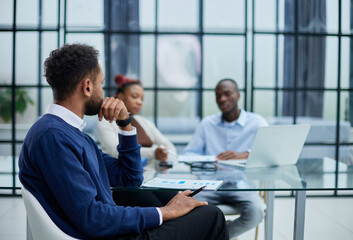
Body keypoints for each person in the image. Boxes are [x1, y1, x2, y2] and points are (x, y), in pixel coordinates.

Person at [18, 43, 229, 240]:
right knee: (212, 216)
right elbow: (93, 218)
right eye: (101, 84)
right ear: (87, 87)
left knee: (197, 209)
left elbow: (129, 178)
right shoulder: (53, 137)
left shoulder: (72, 135)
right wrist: (165, 212)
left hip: (109, 228)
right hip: (105, 234)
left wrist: (126, 125)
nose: (103, 92)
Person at [184, 78, 267, 239]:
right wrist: (210, 162)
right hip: (208, 185)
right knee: (187, 208)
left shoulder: (256, 122)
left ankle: (219, 236)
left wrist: (244, 154)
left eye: (227, 94)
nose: (222, 99)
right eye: (218, 95)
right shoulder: (207, 124)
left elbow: (269, 154)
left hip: (242, 186)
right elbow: (190, 155)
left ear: (238, 95)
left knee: (256, 212)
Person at [97, 74, 177, 207]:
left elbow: (169, 146)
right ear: (120, 97)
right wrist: (153, 153)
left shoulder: (145, 123)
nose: (139, 102)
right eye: (134, 97)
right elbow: (115, 151)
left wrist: (162, 156)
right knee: (159, 207)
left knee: (177, 199)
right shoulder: (106, 123)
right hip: (124, 185)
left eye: (142, 98)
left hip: (150, 179)